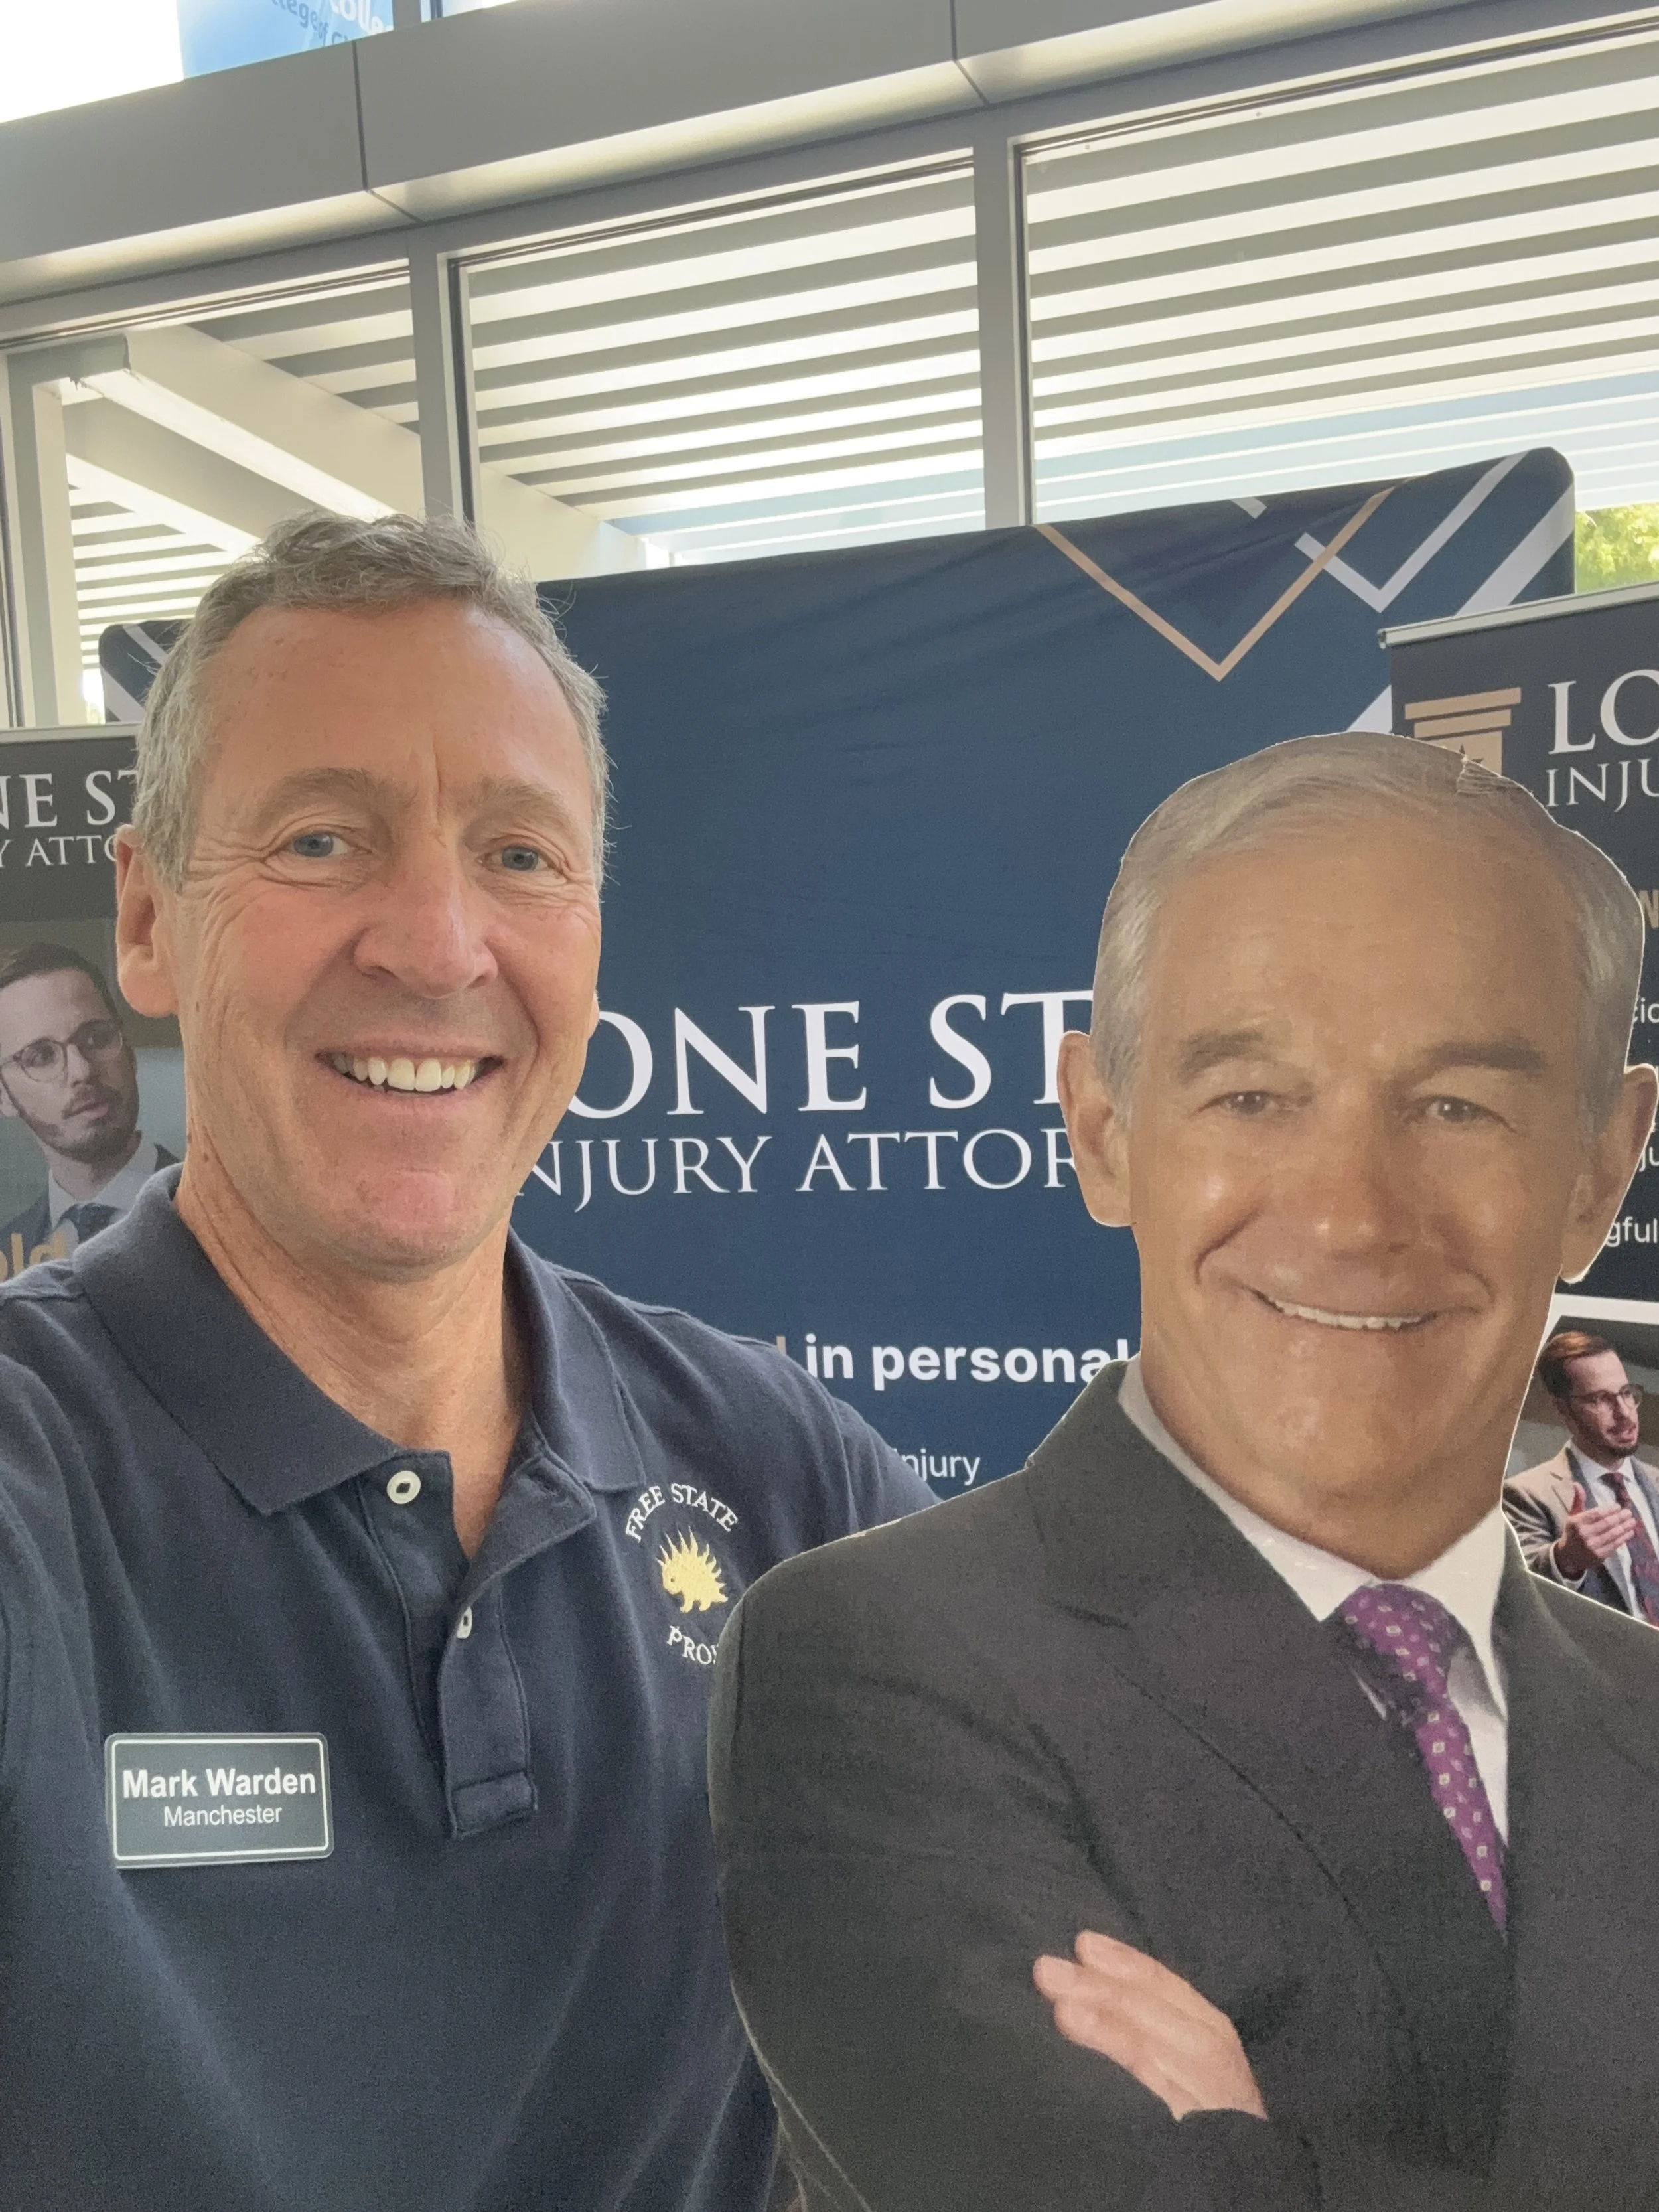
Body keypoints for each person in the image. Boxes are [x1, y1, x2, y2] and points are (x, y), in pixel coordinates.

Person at [0, 512, 930, 2212]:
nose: (437, 945)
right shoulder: (35, 1493)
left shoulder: (789, 1479)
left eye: (519, 854)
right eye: (322, 840)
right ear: (146, 918)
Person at [710, 731, 1659, 2212]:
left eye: (1456, 1105)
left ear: (1600, 1171)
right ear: (1101, 1132)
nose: (1347, 1213)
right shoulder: (875, 1661)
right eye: (1252, 1096)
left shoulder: (1641, 1704)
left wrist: (1256, 2158)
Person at [0, 941, 175, 1269]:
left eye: (96, 1038)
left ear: (129, 1049)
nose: (82, 1071)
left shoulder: (229, 1217)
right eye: (41, 1057)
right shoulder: (7, 1263)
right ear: (4, 1096)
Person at [1504, 1331, 1659, 1622]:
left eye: (1627, 1393)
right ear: (1564, 1410)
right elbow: (1515, 1602)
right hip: (1604, 1665)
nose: (1625, 1413)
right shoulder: (1525, 1494)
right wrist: (1566, 1560)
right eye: (1601, 1399)